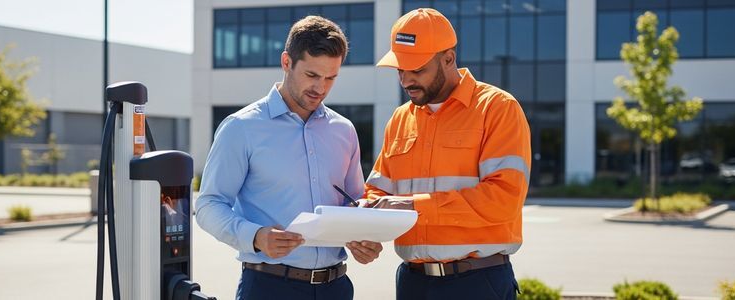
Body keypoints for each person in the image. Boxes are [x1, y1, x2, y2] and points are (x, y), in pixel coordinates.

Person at [195, 16, 383, 300]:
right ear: (287, 62)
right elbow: (209, 204)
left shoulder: (344, 130)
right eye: (312, 75)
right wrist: (255, 236)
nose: (321, 88)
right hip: (269, 287)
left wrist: (364, 237)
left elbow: (355, 201)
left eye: (330, 78)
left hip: (336, 288)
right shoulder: (242, 127)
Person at [364, 8, 532, 299]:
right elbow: (378, 192)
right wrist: (363, 224)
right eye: (401, 70)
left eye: (417, 70)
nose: (406, 80)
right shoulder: (400, 118)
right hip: (413, 283)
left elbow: (503, 199)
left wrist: (413, 207)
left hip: (477, 283)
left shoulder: (497, 108)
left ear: (448, 59)